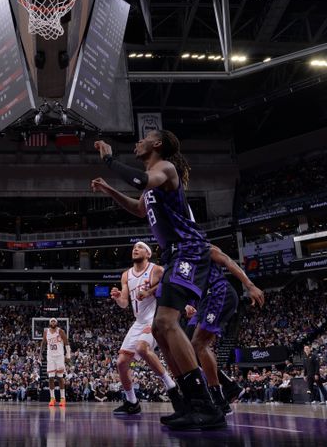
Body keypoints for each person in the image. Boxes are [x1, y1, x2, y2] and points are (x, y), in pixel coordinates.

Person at [91, 130, 225, 430]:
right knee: (161, 333)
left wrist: (110, 160)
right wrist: (109, 190)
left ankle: (206, 405)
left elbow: (139, 180)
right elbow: (140, 209)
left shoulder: (164, 168)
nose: (137, 143)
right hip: (174, 254)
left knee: (165, 324)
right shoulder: (152, 185)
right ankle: (190, 403)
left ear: (157, 145)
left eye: (143, 139)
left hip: (188, 250)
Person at [185, 245, 265, 414]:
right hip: (203, 303)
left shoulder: (203, 247)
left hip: (218, 293)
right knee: (190, 348)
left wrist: (249, 286)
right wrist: (188, 305)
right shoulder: (178, 257)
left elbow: (228, 261)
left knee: (197, 344)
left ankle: (219, 396)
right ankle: (229, 387)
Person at [109, 241, 181, 415]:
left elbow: (170, 284)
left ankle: (172, 388)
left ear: (148, 254)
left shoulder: (156, 270)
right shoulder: (126, 275)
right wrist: (118, 298)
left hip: (154, 318)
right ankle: (132, 402)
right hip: (139, 321)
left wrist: (149, 292)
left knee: (142, 348)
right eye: (134, 247)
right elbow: (125, 304)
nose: (135, 249)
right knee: (121, 363)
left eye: (140, 247)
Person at [41, 318, 70, 407]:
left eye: (54, 321)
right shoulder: (46, 332)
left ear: (56, 323)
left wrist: (68, 355)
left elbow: (66, 342)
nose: (53, 322)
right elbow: (43, 343)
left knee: (60, 377)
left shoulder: (60, 331)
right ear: (49, 323)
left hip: (60, 356)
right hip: (50, 357)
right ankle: (52, 398)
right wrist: (40, 353)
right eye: (51, 321)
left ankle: (62, 398)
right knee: (51, 377)